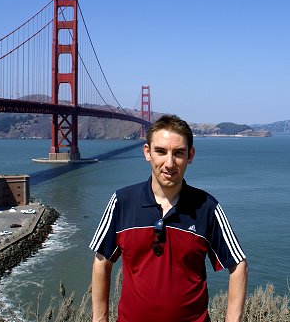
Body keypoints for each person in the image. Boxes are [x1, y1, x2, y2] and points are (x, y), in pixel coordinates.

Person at [90, 114, 248, 322]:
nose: (169, 163)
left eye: (179, 153)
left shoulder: (207, 207)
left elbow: (238, 265)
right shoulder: (122, 202)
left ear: (190, 155)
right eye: (161, 152)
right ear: (147, 153)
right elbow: (102, 262)